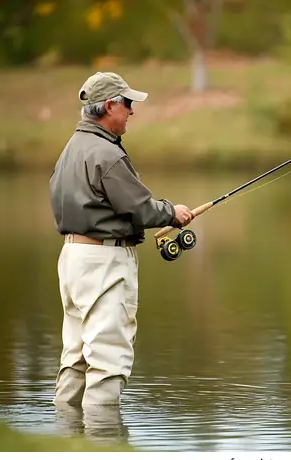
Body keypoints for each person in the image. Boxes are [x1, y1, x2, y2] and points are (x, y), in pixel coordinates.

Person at [49, 71, 194, 406]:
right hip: (104, 263)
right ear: (110, 105)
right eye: (127, 103)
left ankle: (67, 435)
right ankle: (104, 445)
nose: (132, 111)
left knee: (76, 358)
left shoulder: (70, 149)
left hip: (72, 260)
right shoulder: (107, 154)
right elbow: (141, 210)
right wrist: (173, 212)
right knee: (109, 360)